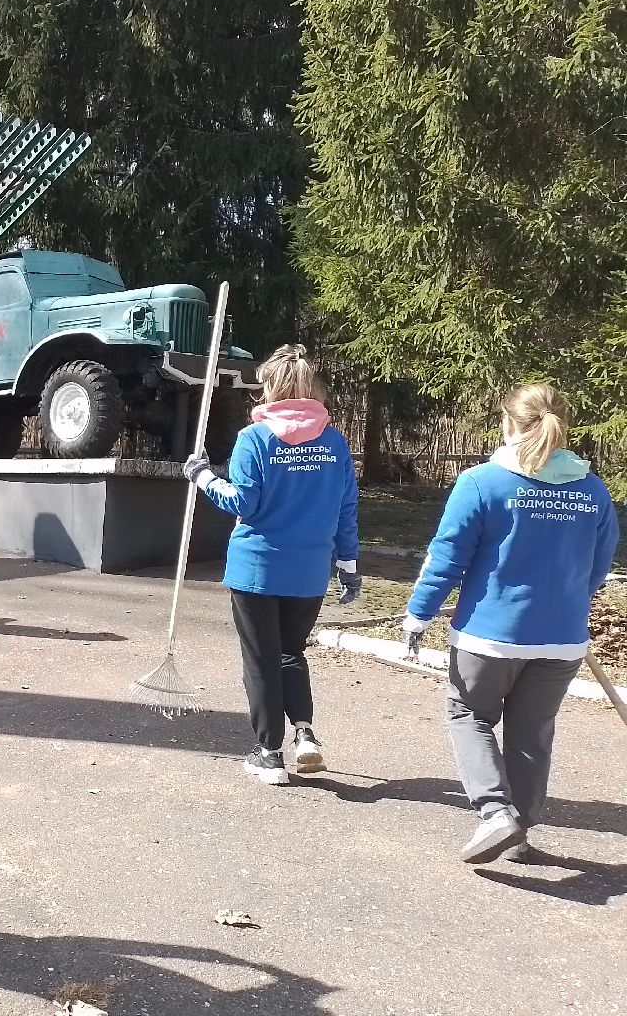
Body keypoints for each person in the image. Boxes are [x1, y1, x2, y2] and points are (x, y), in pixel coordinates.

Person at [402, 384, 618, 864]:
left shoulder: (482, 482)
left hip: (490, 636)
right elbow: (598, 566)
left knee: (469, 716)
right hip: (561, 639)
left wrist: (418, 613)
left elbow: (446, 558)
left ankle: (496, 813)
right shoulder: (593, 489)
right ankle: (520, 826)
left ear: (507, 423)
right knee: (533, 730)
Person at [184, 345, 360, 785]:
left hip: (257, 569)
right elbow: (346, 508)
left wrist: (203, 477)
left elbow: (244, 502)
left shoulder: (255, 439)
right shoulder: (334, 443)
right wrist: (349, 563)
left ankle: (269, 753)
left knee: (261, 660)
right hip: (309, 572)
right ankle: (304, 733)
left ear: (272, 390)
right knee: (290, 652)